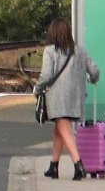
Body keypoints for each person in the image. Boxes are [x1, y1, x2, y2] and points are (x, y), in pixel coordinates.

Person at [35, 16, 101, 180]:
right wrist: (92, 80)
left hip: (58, 98)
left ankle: (79, 165)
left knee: (64, 130)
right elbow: (94, 71)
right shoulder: (80, 51)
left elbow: (46, 75)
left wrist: (37, 89)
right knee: (59, 130)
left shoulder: (50, 51)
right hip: (76, 98)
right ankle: (54, 166)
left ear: (53, 33)